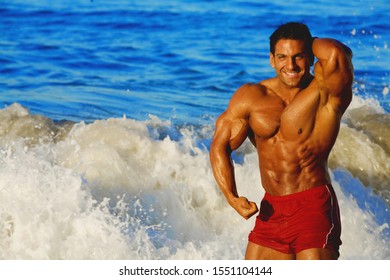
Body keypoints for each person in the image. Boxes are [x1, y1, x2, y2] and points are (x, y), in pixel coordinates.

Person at [209, 22, 353, 260]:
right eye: (282, 57)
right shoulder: (251, 96)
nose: (291, 65)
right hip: (271, 210)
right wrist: (231, 197)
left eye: (299, 56)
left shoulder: (325, 93)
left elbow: (337, 53)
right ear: (272, 60)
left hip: (312, 205)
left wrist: (307, 39)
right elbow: (220, 144)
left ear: (309, 57)